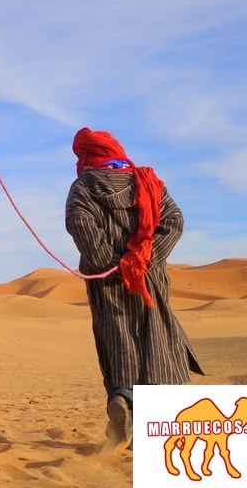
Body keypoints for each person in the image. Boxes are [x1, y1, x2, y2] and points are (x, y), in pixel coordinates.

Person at [65, 128, 204, 452]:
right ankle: (153, 421)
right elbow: (174, 220)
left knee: (117, 336)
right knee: (158, 337)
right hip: (149, 278)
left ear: (86, 156)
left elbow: (79, 222)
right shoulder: (148, 181)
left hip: (107, 280)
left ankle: (124, 397)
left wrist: (109, 263)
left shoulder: (84, 186)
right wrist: (144, 260)